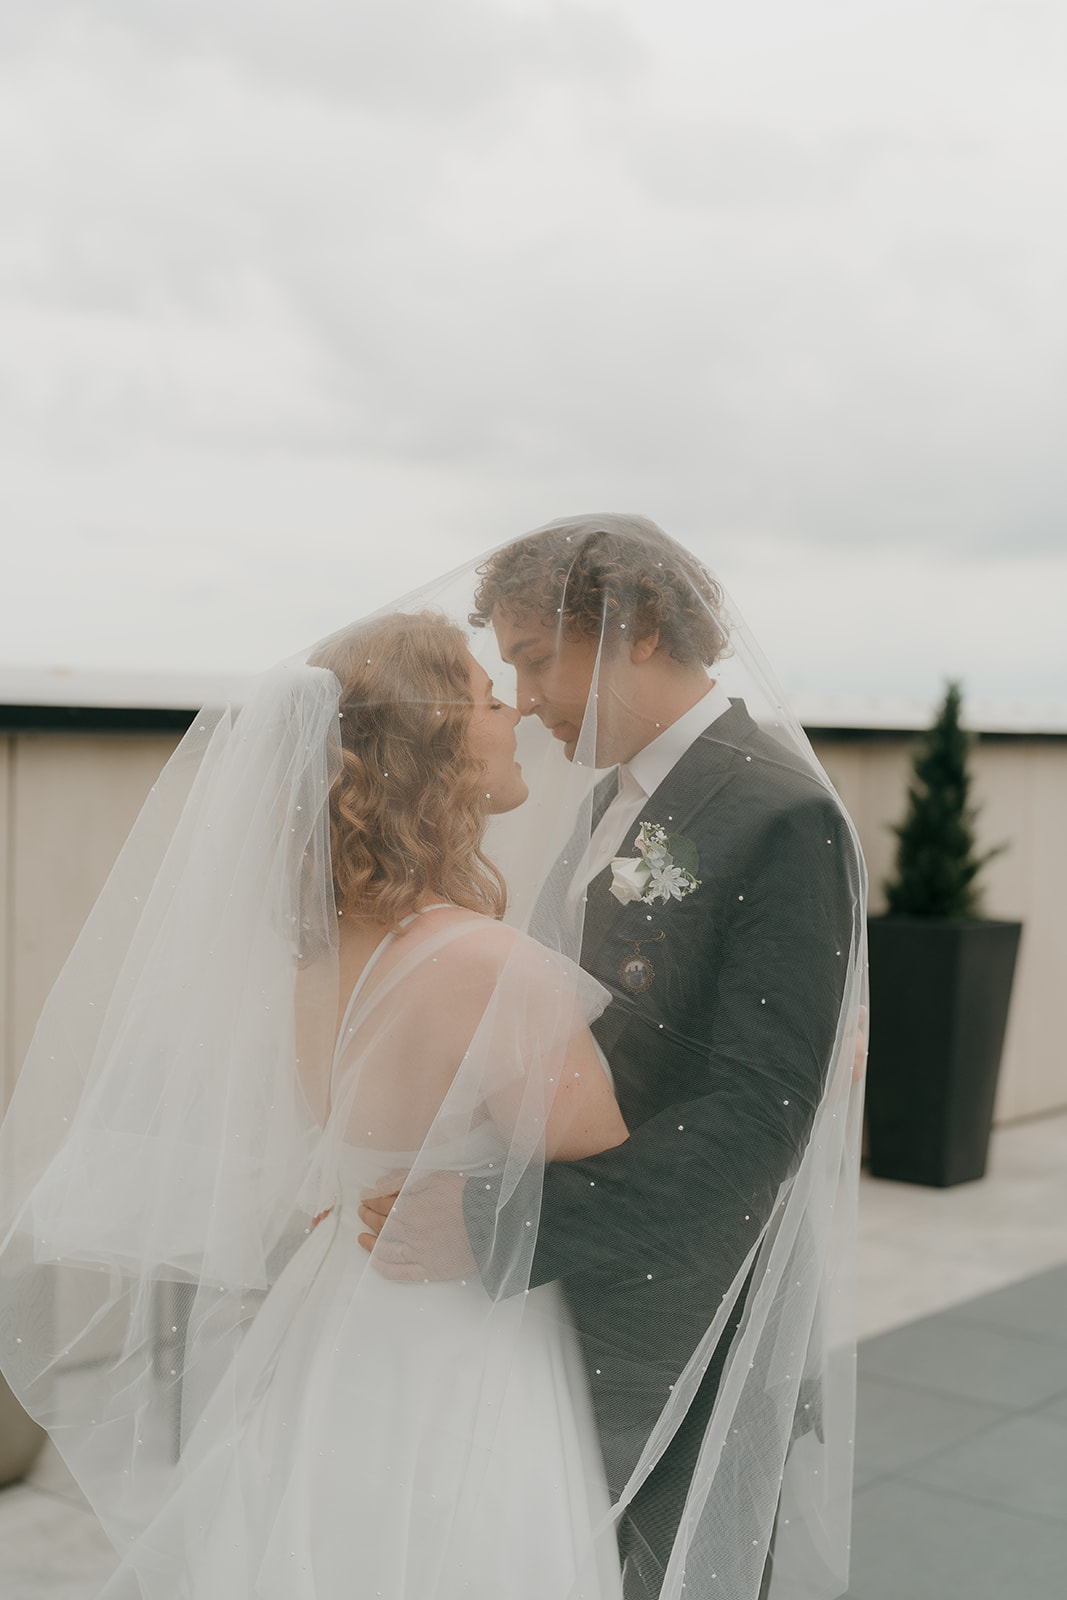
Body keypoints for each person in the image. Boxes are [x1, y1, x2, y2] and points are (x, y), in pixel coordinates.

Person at [0, 611, 630, 1599]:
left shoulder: (317, 954)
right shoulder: (486, 964)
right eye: (482, 694)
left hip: (337, 1325)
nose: (511, 710)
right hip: (454, 1341)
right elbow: (603, 1148)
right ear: (435, 750)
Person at [359, 515, 867, 1600]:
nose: (527, 700)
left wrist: (498, 1223)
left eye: (536, 659)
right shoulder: (608, 799)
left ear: (633, 628)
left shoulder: (781, 814)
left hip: (684, 1326)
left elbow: (755, 1118)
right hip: (579, 1313)